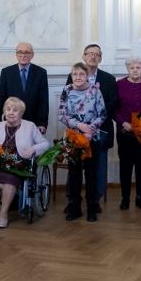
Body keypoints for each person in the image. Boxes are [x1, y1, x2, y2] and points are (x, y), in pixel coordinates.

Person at [0, 97, 51, 228]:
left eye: (15, 110)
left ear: (21, 113)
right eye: (8, 109)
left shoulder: (30, 126)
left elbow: (45, 144)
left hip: (18, 163)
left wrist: (33, 149)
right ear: (4, 112)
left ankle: (4, 213)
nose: (11, 112)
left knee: (9, 179)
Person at [63, 45, 118, 204]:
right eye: (90, 54)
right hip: (77, 131)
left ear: (100, 58)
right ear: (83, 56)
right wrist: (80, 125)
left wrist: (92, 125)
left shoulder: (109, 79)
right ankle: (73, 200)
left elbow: (111, 103)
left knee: (98, 168)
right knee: (74, 168)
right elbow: (67, 104)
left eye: (97, 55)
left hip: (100, 130)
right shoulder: (72, 76)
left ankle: (95, 201)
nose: (93, 57)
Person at [59, 62, 108, 221]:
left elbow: (102, 114)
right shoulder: (67, 90)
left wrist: (90, 129)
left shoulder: (95, 90)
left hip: (91, 139)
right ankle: (75, 208)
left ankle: (92, 209)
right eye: (75, 74)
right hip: (73, 138)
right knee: (74, 174)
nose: (78, 77)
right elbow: (62, 115)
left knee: (91, 174)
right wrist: (79, 126)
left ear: (87, 76)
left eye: (81, 74)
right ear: (71, 76)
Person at [114, 55, 141, 210]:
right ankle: (125, 197)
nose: (135, 70)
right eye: (132, 67)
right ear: (127, 69)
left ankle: (140, 197)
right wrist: (123, 123)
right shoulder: (119, 84)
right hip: (125, 133)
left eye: (138, 67)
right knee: (125, 166)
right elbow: (114, 109)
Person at [0, 42, 49, 132]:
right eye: (20, 52)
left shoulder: (41, 73)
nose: (23, 55)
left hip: (33, 122)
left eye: (27, 52)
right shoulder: (6, 72)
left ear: (32, 55)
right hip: (10, 122)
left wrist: (42, 123)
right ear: (16, 54)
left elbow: (43, 100)